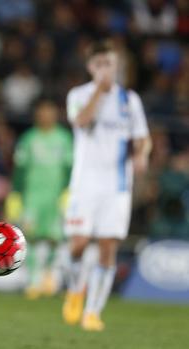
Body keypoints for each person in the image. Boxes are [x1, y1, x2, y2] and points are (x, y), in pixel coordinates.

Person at [62, 40, 151, 331]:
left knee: (107, 249)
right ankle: (76, 289)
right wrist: (99, 92)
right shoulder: (79, 94)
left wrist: (141, 154)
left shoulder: (130, 100)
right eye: (99, 64)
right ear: (90, 67)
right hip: (84, 184)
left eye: (109, 64)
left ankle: (93, 312)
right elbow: (81, 121)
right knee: (77, 245)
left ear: (117, 66)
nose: (105, 69)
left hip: (117, 186)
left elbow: (142, 137)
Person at [6, 99, 73, 299]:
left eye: (50, 111)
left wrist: (69, 192)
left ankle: (48, 277)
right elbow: (19, 169)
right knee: (31, 237)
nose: (46, 115)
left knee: (55, 238)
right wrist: (15, 194)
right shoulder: (28, 139)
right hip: (32, 197)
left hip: (56, 197)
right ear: (37, 114)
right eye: (42, 111)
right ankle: (33, 280)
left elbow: (70, 168)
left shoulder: (64, 138)